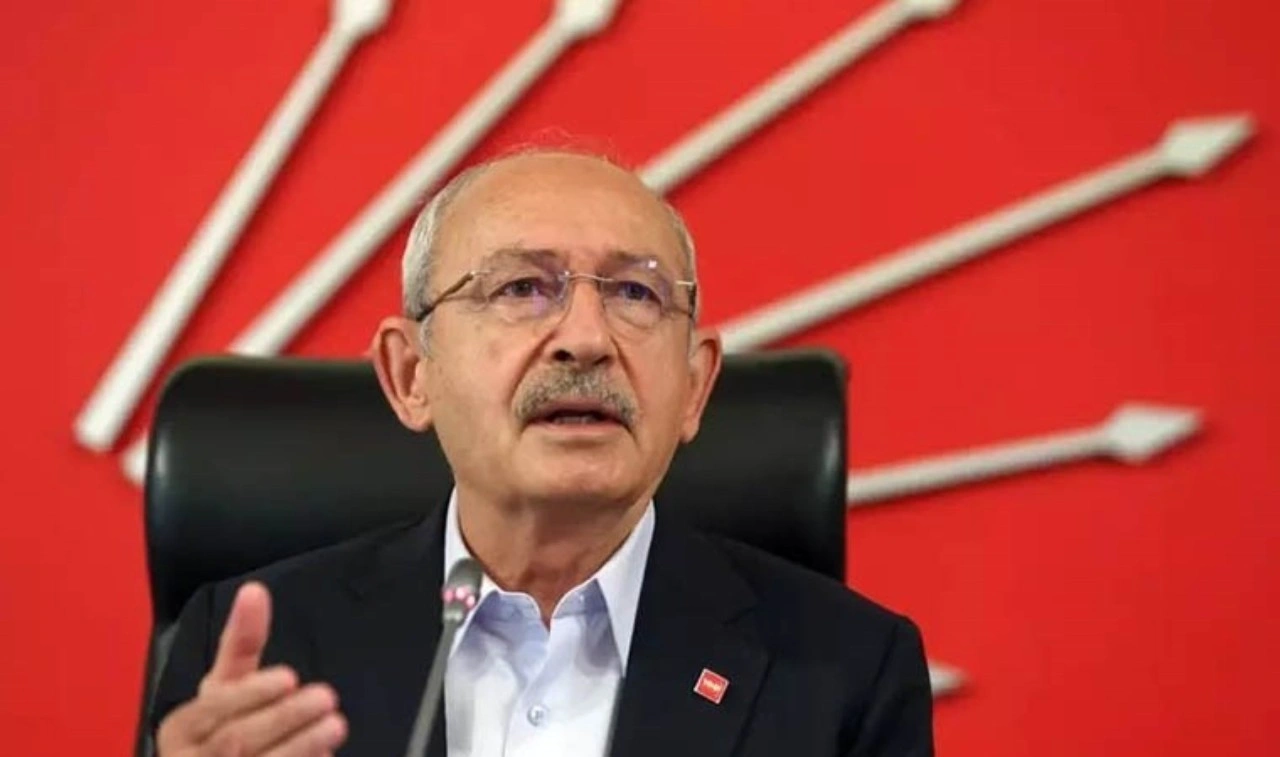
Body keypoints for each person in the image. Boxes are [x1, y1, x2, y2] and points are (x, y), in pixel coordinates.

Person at [151, 149, 935, 756]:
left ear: (695, 388)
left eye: (636, 293)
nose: (587, 338)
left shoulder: (849, 671)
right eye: (523, 288)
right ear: (411, 373)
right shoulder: (256, 653)